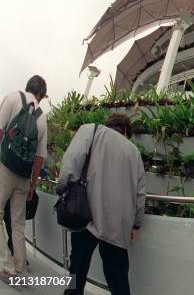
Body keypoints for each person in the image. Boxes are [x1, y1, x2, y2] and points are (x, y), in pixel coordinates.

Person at [57, 114, 146, 295]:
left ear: (108, 124)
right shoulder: (134, 151)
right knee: (118, 277)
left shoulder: (91, 130)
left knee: (77, 268)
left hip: (86, 216)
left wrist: (62, 189)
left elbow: (70, 163)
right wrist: (135, 223)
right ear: (126, 132)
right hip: (117, 225)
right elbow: (140, 193)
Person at [0, 75, 48, 281]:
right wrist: (32, 185)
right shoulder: (42, 117)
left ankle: (5, 265)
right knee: (18, 223)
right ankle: (20, 269)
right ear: (41, 95)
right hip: (24, 176)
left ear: (27, 87)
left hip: (5, 168)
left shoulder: (12, 98)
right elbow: (39, 158)